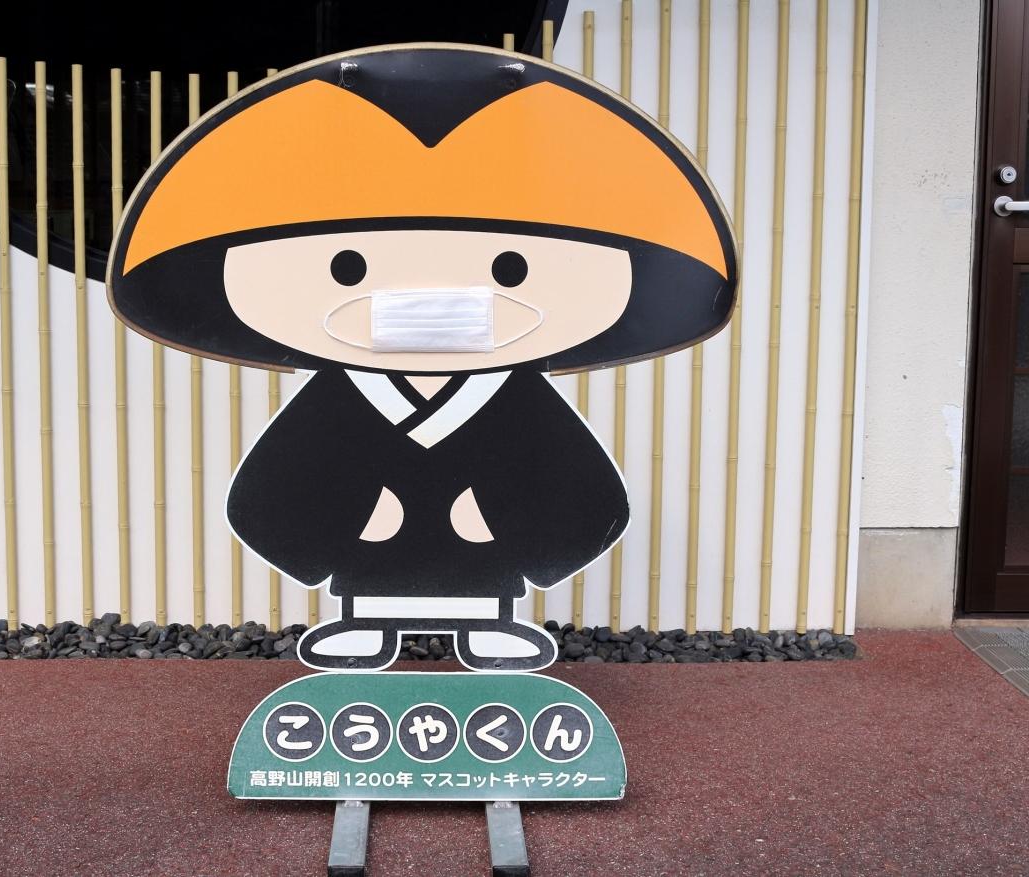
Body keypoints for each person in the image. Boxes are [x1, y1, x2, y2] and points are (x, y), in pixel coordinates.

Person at [108, 45, 738, 672]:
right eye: (347, 267)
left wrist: (501, 517)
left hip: (490, 564)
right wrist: (354, 514)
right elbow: (272, 492)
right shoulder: (340, 399)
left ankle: (487, 623)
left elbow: (580, 491)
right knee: (369, 571)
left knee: (484, 569)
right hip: (362, 563)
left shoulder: (515, 398)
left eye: (511, 269)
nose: (428, 298)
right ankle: (364, 621)